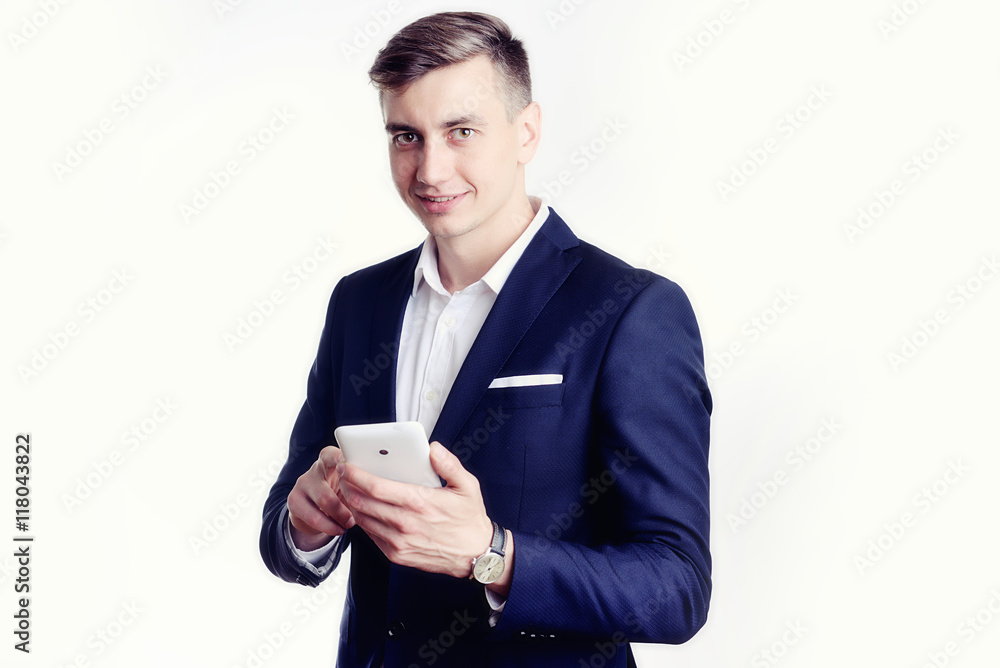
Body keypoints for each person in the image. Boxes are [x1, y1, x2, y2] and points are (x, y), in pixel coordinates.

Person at [259, 11, 712, 667]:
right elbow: (284, 537)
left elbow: (676, 588)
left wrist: (492, 555)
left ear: (526, 132)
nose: (431, 169)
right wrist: (305, 524)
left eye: (462, 131)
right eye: (407, 136)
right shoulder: (358, 302)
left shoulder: (630, 310)